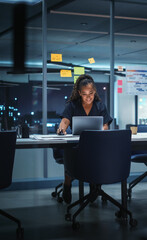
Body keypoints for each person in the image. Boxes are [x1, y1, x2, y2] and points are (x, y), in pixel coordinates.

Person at [57, 74, 113, 203]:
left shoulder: (100, 106)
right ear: (79, 93)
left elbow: (105, 125)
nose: (88, 97)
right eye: (84, 94)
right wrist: (62, 128)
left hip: (95, 144)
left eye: (91, 93)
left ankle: (95, 186)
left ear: (95, 92)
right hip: (77, 146)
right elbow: (65, 120)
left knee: (98, 155)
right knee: (71, 153)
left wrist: (101, 129)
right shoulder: (72, 105)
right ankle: (67, 183)